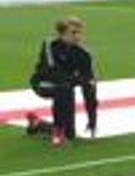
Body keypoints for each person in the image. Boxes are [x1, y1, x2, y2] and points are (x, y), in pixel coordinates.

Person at [26, 17, 98, 147]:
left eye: (79, 32)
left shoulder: (84, 54)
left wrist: (92, 118)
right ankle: (57, 134)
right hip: (43, 83)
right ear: (62, 34)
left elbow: (89, 85)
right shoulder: (49, 45)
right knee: (64, 87)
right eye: (73, 33)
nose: (78, 36)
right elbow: (52, 71)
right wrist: (77, 80)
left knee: (70, 134)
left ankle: (37, 124)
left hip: (66, 86)